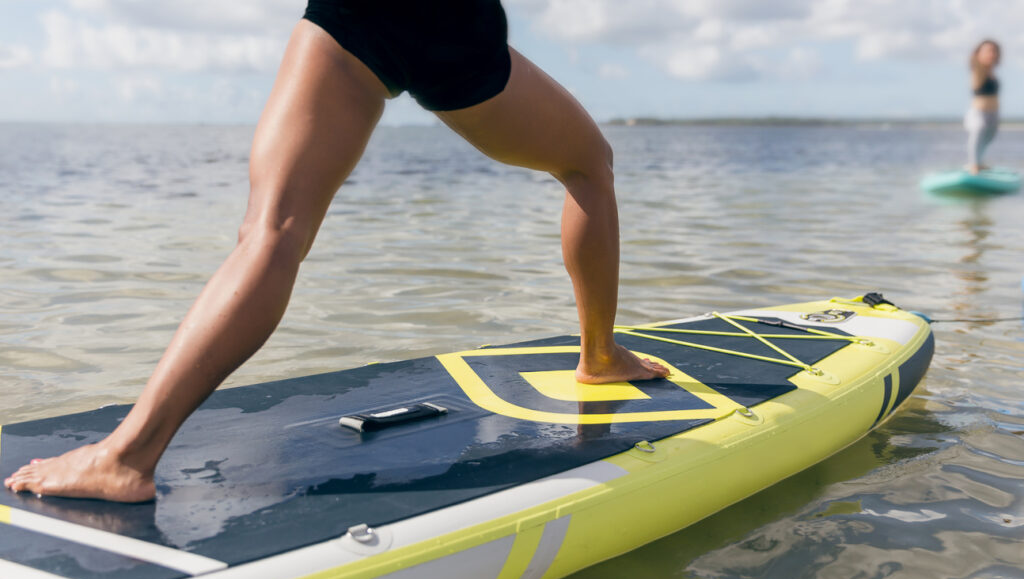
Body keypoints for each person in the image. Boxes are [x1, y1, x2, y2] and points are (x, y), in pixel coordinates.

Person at [3, 1, 669, 502]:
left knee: (270, 232)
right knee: (589, 165)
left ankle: (128, 453)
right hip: (440, 21)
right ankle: (600, 356)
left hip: (350, 15)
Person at [965, 39, 1001, 174]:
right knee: (978, 132)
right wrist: (979, 56)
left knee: (988, 137)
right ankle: (973, 164)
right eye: (988, 51)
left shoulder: (992, 72)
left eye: (994, 51)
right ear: (979, 53)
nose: (992, 54)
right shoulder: (977, 69)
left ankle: (979, 162)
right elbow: (974, 60)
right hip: (978, 112)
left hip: (993, 112)